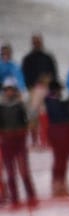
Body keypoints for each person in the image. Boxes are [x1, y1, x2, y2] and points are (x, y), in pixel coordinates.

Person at [0, 79, 35, 208]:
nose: (9, 92)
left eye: (11, 90)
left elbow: (29, 120)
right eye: (7, 90)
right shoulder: (1, 106)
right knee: (10, 173)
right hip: (7, 143)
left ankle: (31, 196)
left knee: (24, 171)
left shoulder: (20, 105)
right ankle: (15, 199)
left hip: (19, 142)